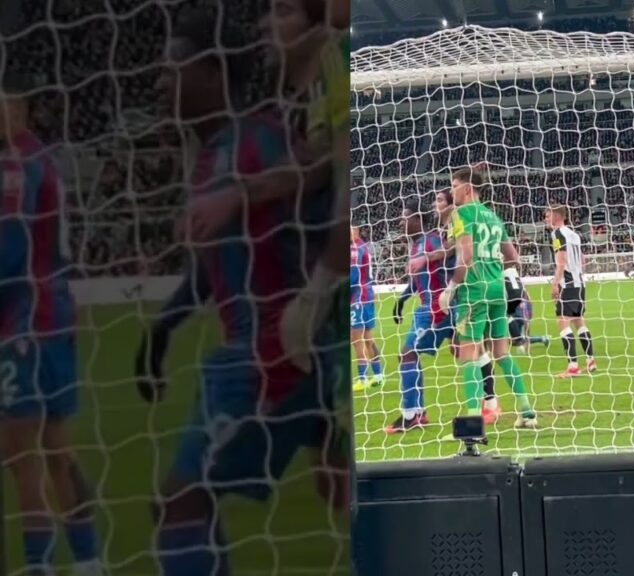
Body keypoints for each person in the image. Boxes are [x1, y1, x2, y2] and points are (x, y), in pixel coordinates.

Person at [134, 8, 345, 574]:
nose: (159, 82)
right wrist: (166, 323)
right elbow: (215, 268)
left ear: (209, 74)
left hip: (269, 353)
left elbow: (325, 216)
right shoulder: (210, 158)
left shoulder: (258, 140)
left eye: (172, 70)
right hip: (252, 353)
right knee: (336, 487)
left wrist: (308, 326)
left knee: (179, 501)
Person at [0, 71, 102, 576]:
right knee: (58, 449)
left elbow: (8, 254)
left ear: (17, 105)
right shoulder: (38, 157)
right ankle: (89, 562)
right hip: (54, 317)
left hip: (23, 323)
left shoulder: (14, 166)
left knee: (22, 454)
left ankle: (40, 569)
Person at [440, 166, 537, 428]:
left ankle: (472, 422)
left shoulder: (461, 214)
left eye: (454, 185)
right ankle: (527, 412)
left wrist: (450, 287)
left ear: (467, 188)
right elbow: (514, 258)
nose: (452, 190)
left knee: (467, 355)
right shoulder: (494, 217)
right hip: (497, 291)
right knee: (502, 354)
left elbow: (466, 257)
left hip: (474, 291)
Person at [389, 204, 454, 433]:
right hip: (426, 307)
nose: (400, 222)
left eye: (404, 218)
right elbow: (418, 280)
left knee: (408, 354)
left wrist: (449, 298)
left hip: (437, 307)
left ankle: (411, 416)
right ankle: (419, 412)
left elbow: (451, 255)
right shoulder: (416, 245)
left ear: (417, 219)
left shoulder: (432, 240)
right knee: (409, 355)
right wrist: (402, 299)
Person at [546, 204, 596, 377]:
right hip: (579, 283)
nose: (546, 218)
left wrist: (555, 283)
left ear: (557, 216)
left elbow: (561, 261)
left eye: (548, 215)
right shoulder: (574, 234)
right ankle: (590, 360)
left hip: (567, 284)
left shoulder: (557, 233)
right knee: (579, 321)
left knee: (563, 321)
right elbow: (583, 259)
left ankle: (573, 367)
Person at [351, 225, 383, 391]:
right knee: (368, 339)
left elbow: (353, 277)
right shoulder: (363, 246)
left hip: (357, 297)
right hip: (368, 295)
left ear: (355, 231)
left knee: (357, 340)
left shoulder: (355, 249)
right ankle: (378, 376)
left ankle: (362, 379)